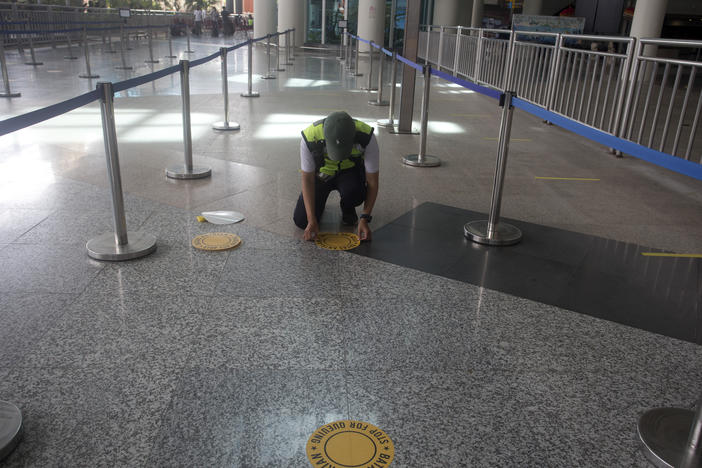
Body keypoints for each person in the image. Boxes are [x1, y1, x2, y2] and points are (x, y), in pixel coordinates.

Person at [293, 111, 379, 242]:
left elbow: (372, 181)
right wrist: (311, 219)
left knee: (354, 193)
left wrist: (365, 218)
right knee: (301, 221)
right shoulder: (310, 137)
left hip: (349, 173)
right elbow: (308, 179)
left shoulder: (366, 137)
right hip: (321, 175)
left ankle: (348, 208)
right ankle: (317, 208)